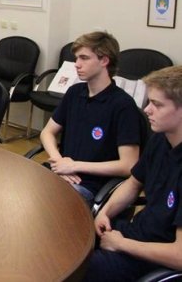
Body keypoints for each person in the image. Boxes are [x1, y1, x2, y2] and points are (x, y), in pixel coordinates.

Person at [85, 66, 182, 281]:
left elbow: (179, 255)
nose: (147, 110)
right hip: (136, 233)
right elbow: (133, 183)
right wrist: (105, 213)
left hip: (154, 258)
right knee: (69, 237)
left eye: (157, 104)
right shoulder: (161, 139)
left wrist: (121, 244)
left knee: (79, 268)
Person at [40, 31, 143, 207]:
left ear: (104, 60)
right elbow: (47, 132)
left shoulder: (123, 105)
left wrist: (74, 166)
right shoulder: (74, 93)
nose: (77, 64)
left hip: (89, 186)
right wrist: (59, 162)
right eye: (76, 58)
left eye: (84, 58)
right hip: (60, 173)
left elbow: (128, 164)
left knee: (41, 205)